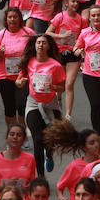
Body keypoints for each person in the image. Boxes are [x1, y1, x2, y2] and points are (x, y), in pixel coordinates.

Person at [16, 35, 66, 175]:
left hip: (51, 104)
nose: (41, 45)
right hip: (33, 103)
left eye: (44, 43)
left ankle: (49, 154)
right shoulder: (29, 62)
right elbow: (19, 80)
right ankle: (40, 176)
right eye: (38, 42)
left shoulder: (55, 65)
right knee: (37, 139)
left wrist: (53, 87)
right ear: (35, 45)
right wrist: (19, 83)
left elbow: (63, 88)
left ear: (49, 46)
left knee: (50, 138)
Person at [0, 7, 35, 128]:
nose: (12, 20)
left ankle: (22, 134)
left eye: (15, 17)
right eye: (10, 17)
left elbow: (36, 51)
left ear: (20, 19)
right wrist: (0, 54)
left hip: (23, 76)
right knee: (9, 107)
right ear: (6, 19)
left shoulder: (28, 33)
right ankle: (11, 134)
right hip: (4, 76)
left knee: (21, 106)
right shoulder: (1, 35)